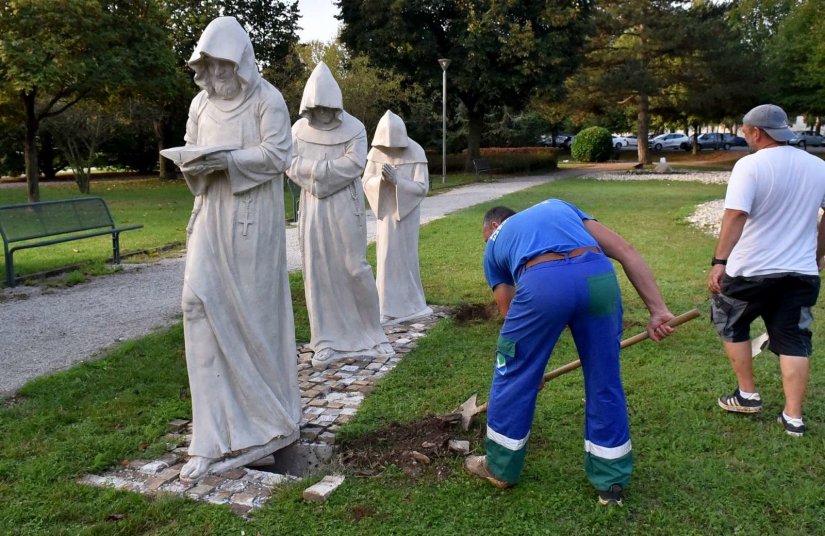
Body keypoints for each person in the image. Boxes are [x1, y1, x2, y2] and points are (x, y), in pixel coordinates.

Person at [464, 200, 675, 505]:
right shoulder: (560, 207)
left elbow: (509, 310)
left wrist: (527, 368)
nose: (487, 242)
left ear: (494, 227)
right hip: (598, 277)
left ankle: (499, 468)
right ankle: (611, 482)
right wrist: (658, 309)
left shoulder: (494, 243)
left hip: (543, 282)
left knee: (511, 372)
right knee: (605, 379)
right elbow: (626, 250)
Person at [174, 16, 301, 481]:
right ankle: (209, 437)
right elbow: (190, 151)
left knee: (255, 319)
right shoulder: (200, 106)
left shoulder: (267, 100)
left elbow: (278, 155)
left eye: (227, 68)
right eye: (212, 68)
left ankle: (268, 424)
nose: (219, 77)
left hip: (252, 224)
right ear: (202, 67)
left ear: (242, 64)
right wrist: (194, 163)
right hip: (210, 216)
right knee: (196, 305)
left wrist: (228, 160)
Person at [708, 103, 825, 437]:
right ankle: (793, 418)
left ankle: (747, 394)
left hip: (750, 271)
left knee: (730, 320)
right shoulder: (819, 167)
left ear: (756, 132)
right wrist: (817, 253)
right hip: (801, 273)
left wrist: (719, 262)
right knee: (794, 337)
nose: (745, 136)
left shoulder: (750, 166)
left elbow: (735, 215)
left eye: (745, 131)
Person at [286, 62, 393, 369]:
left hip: (345, 204)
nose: (320, 112)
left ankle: (372, 333)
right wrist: (320, 177)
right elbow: (290, 163)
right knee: (318, 270)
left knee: (354, 266)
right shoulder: (297, 131)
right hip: (313, 208)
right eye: (315, 107)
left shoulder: (355, 128)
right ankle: (326, 340)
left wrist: (318, 174)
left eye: (326, 106)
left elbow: (355, 163)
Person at [362, 110, 432, 325]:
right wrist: (382, 182)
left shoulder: (416, 151)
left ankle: (411, 304)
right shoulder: (375, 153)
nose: (390, 149)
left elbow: (422, 188)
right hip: (386, 216)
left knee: (406, 259)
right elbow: (366, 181)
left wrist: (398, 181)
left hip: (407, 215)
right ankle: (386, 306)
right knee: (385, 258)